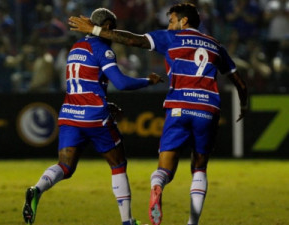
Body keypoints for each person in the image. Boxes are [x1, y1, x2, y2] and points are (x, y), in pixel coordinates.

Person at [68, 3, 248, 225]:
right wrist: (244, 102)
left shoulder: (172, 38)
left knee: (164, 168)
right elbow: (238, 81)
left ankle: (157, 185)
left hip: (179, 106)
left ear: (183, 21)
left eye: (172, 20)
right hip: (208, 108)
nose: (169, 24)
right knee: (199, 167)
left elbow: (133, 40)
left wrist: (95, 31)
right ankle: (192, 223)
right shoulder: (215, 45)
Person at [22, 8, 162, 225]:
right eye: (113, 30)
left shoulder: (75, 48)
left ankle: (37, 189)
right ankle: (128, 221)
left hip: (69, 113)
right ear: (106, 27)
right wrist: (148, 81)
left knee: (65, 166)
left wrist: (106, 101)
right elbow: (122, 83)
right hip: (94, 117)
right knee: (118, 165)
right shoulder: (102, 49)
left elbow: (86, 84)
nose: (114, 35)